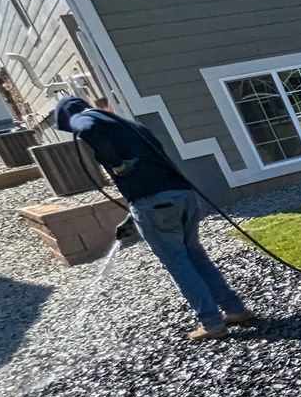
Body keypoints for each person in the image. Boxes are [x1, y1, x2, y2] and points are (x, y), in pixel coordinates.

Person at [53, 96, 254, 342]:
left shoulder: (85, 118)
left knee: (179, 264)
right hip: (184, 196)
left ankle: (212, 323)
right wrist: (132, 218)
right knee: (195, 256)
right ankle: (235, 309)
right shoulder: (128, 125)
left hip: (154, 203)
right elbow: (154, 174)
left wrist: (117, 166)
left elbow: (87, 129)